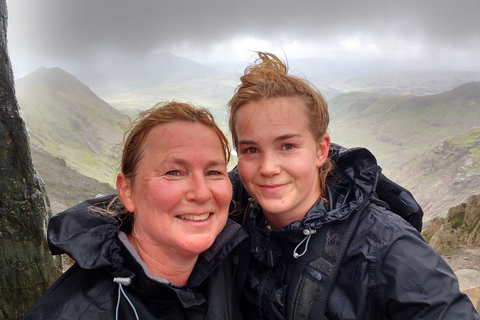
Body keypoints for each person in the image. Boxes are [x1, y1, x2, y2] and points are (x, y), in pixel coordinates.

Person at [227, 52, 480, 319]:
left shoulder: (388, 246)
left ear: (320, 150)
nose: (268, 168)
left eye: (287, 146)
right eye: (251, 149)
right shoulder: (235, 224)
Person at [22, 102, 247, 320]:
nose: (202, 193)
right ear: (127, 192)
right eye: (174, 172)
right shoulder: (75, 313)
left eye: (214, 172)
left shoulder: (224, 258)